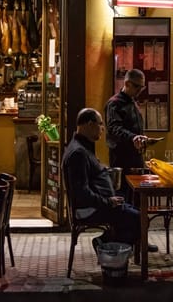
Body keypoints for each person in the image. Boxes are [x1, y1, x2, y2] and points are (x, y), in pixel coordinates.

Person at [62, 108, 140, 253]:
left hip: (99, 204)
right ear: (90, 124)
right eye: (100, 124)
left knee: (136, 212)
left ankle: (107, 242)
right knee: (138, 219)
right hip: (91, 209)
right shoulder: (78, 153)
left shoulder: (83, 146)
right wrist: (108, 202)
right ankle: (107, 247)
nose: (103, 129)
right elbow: (81, 192)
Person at [105, 69, 158, 252]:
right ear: (126, 83)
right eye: (137, 87)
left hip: (136, 160)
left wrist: (141, 139)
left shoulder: (133, 103)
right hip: (122, 160)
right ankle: (123, 241)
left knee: (137, 202)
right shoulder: (115, 104)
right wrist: (133, 138)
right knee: (124, 202)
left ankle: (139, 239)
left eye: (141, 88)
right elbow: (114, 129)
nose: (139, 91)